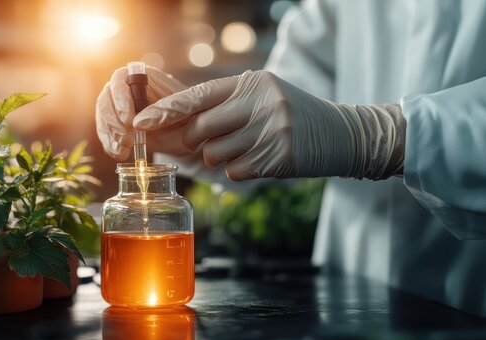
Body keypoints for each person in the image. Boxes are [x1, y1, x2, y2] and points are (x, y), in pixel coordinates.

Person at [95, 0, 486, 317]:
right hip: (351, 298)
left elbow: (319, 129)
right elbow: (283, 120)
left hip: (473, 295)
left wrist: (383, 136)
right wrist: (197, 129)